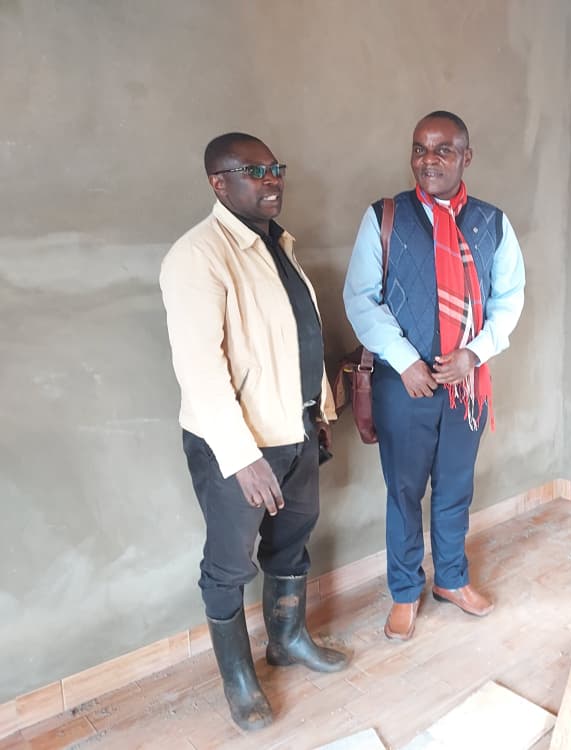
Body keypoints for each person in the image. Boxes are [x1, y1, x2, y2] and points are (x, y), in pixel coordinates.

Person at [160, 132, 348, 731]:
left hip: (295, 431)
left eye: (274, 168)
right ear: (219, 183)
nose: (272, 180)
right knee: (229, 564)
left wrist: (318, 413)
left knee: (291, 542)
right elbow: (200, 368)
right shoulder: (198, 256)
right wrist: (241, 456)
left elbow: (298, 339)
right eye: (254, 171)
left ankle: (287, 640)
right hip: (239, 445)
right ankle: (239, 679)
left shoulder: (277, 244)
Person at [343, 111, 525, 641]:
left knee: (454, 487)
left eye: (443, 149)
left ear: (466, 157)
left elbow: (509, 301)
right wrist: (405, 361)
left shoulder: (493, 223)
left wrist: (475, 354)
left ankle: (451, 578)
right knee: (404, 491)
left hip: (466, 387)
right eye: (420, 148)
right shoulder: (386, 217)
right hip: (405, 385)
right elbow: (361, 298)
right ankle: (405, 592)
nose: (429, 159)